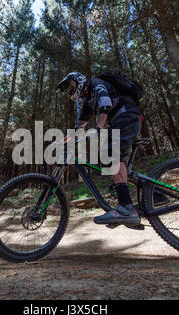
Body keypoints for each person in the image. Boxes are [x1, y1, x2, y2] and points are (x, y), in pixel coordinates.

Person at [56, 71, 145, 225]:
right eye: (68, 90)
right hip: (124, 118)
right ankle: (153, 193)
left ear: (79, 81)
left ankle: (126, 208)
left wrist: (98, 127)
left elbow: (105, 104)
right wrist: (63, 141)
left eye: (71, 87)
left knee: (110, 154)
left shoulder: (96, 83)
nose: (70, 92)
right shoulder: (89, 101)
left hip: (126, 115)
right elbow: (79, 127)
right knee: (113, 163)